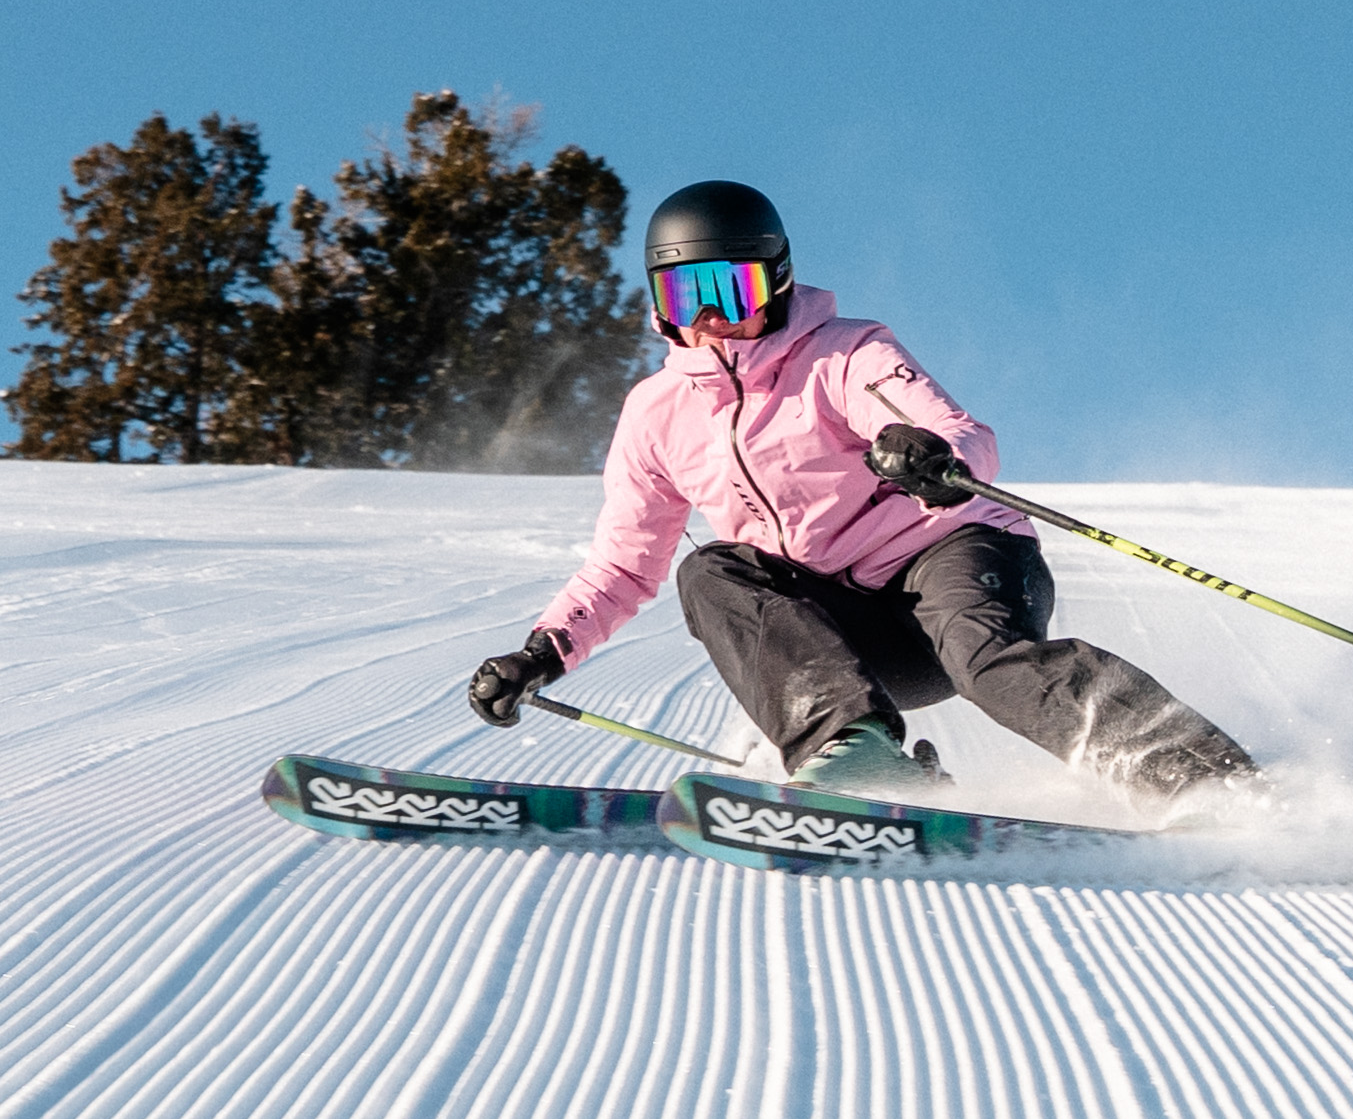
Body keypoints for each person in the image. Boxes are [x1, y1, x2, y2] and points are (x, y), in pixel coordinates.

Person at [467, 179, 1262, 811]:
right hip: (853, 637)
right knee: (709, 571)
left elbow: (960, 432)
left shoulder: (845, 355)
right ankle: (857, 753)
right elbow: (623, 564)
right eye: (685, 298)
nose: (711, 318)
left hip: (954, 553)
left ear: (774, 281)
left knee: (988, 660)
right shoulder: (656, 414)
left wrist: (933, 457)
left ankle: (1204, 777)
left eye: (730, 290)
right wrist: (546, 651)